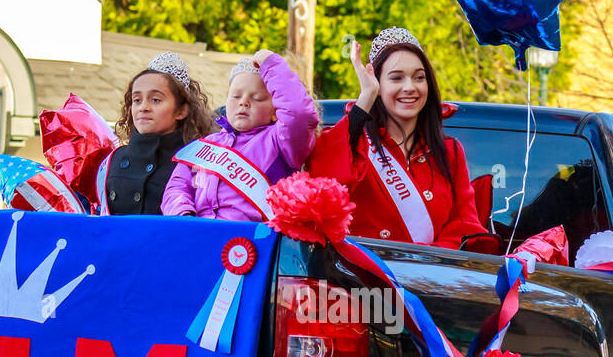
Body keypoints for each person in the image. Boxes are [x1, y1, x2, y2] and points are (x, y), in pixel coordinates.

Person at [306, 27, 492, 250]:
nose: (409, 87)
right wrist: (365, 98)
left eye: (419, 78)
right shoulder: (355, 142)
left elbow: (465, 223)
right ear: (377, 84)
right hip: (361, 279)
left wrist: (427, 262)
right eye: (396, 78)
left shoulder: (449, 150)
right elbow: (323, 187)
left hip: (430, 278)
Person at [161, 50, 318, 221]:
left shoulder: (281, 142)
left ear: (276, 111)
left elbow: (298, 114)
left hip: (251, 241)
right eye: (236, 96)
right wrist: (183, 216)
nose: (243, 102)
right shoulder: (205, 145)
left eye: (257, 98)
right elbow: (177, 186)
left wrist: (271, 65)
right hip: (197, 232)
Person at [94, 52, 214, 216]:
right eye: (136, 100)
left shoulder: (196, 164)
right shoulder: (112, 160)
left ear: (181, 111)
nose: (143, 107)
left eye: (155, 100)